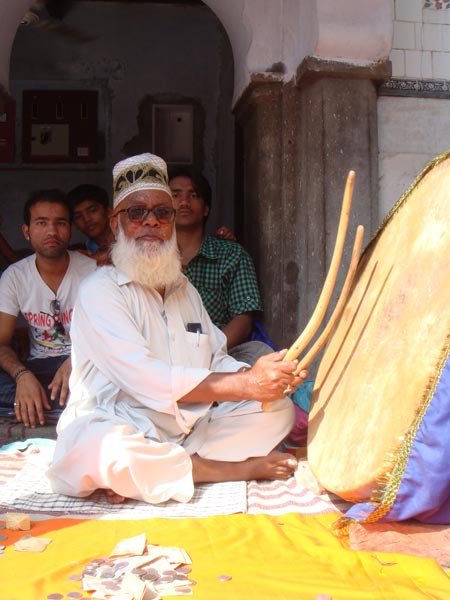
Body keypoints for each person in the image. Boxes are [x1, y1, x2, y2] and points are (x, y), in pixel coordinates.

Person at [47, 152, 307, 505]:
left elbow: (216, 357)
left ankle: (155, 474)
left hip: (186, 429)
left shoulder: (185, 290)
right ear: (115, 224)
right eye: (136, 213)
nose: (151, 222)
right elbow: (147, 378)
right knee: (105, 450)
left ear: (171, 222)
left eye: (162, 213)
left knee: (278, 410)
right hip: (119, 423)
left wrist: (265, 379)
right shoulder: (100, 291)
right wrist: (248, 384)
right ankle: (230, 469)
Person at [0, 189, 96, 427]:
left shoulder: (94, 271)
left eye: (60, 223)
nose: (52, 231)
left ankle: (38, 404)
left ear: (70, 229)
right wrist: (23, 377)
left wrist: (76, 361)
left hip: (86, 365)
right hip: (38, 368)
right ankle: (57, 402)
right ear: (27, 232)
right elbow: (1, 342)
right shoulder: (15, 276)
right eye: (41, 223)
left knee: (113, 383)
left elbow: (111, 336)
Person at [169, 165, 271, 364]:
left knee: (261, 355)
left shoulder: (232, 255)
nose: (184, 202)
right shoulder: (150, 258)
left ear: (206, 209)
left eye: (193, 195)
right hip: (165, 354)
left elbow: (243, 319)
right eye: (175, 195)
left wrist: (210, 354)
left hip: (222, 352)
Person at [67, 184, 114, 264]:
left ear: (109, 211)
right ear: (74, 225)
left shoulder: (133, 243)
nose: (87, 219)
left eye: (92, 211)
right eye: (78, 216)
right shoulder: (77, 256)